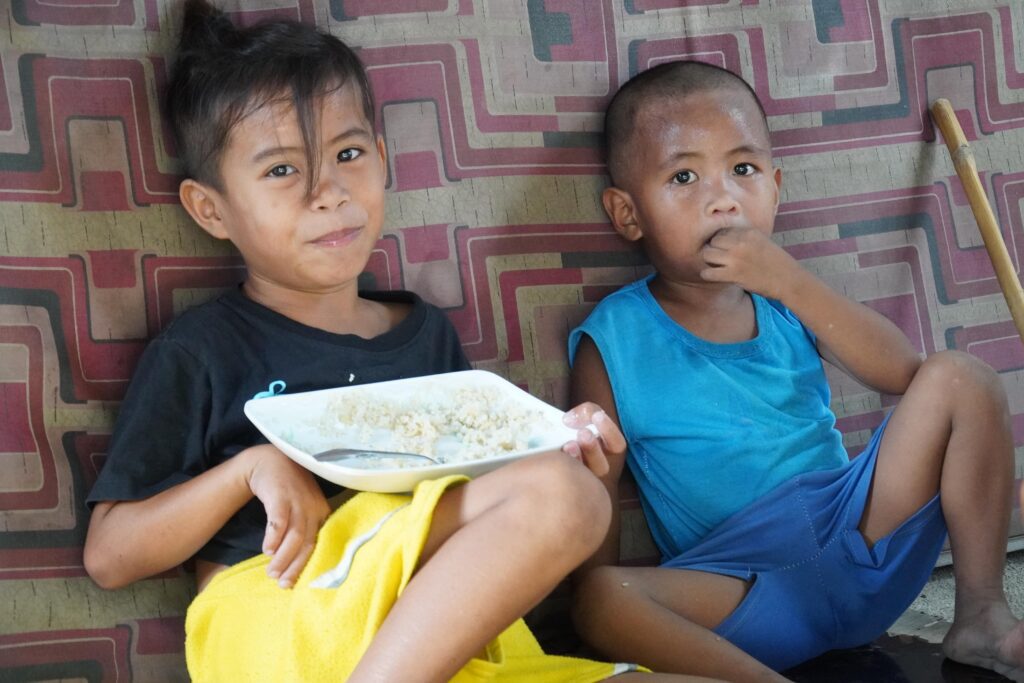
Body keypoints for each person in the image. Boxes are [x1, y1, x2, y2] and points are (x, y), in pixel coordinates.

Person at [82, 4, 724, 682]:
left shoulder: (423, 337)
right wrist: (251, 469)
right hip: (280, 610)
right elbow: (110, 553)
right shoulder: (204, 347)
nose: (328, 192)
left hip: (429, 642)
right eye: (280, 171)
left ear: (382, 161)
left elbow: (493, 510)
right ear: (211, 209)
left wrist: (564, 442)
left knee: (578, 504)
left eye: (348, 154)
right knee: (566, 499)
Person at [568, 59, 1024, 683]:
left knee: (961, 376)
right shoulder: (612, 337)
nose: (723, 197)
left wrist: (790, 281)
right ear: (627, 214)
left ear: (776, 187)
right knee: (598, 599)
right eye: (683, 176)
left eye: (744, 169)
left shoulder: (790, 300)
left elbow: (903, 373)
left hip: (860, 541)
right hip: (740, 588)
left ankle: (980, 616)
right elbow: (596, 485)